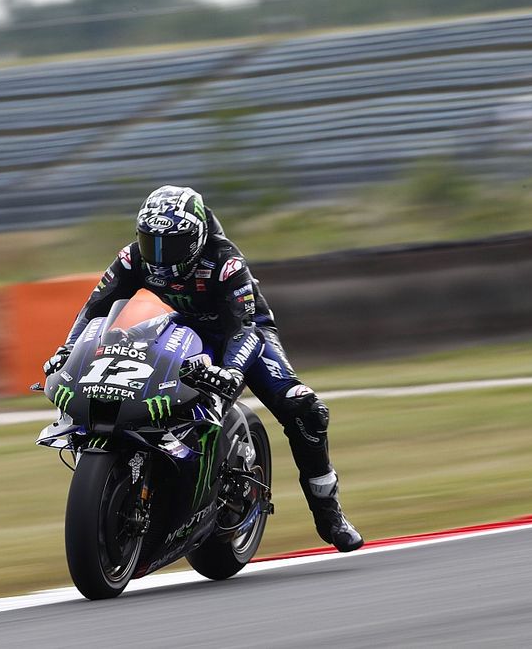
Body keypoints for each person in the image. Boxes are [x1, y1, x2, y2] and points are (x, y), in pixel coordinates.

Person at [44, 185, 363, 552]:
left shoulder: (225, 262)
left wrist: (229, 373)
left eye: (172, 245)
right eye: (152, 243)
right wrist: (69, 350)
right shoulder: (132, 258)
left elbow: (243, 329)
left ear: (195, 240)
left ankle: (328, 510)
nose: (160, 257)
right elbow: (96, 309)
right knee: (129, 367)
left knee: (304, 408)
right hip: (183, 325)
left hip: (242, 334)